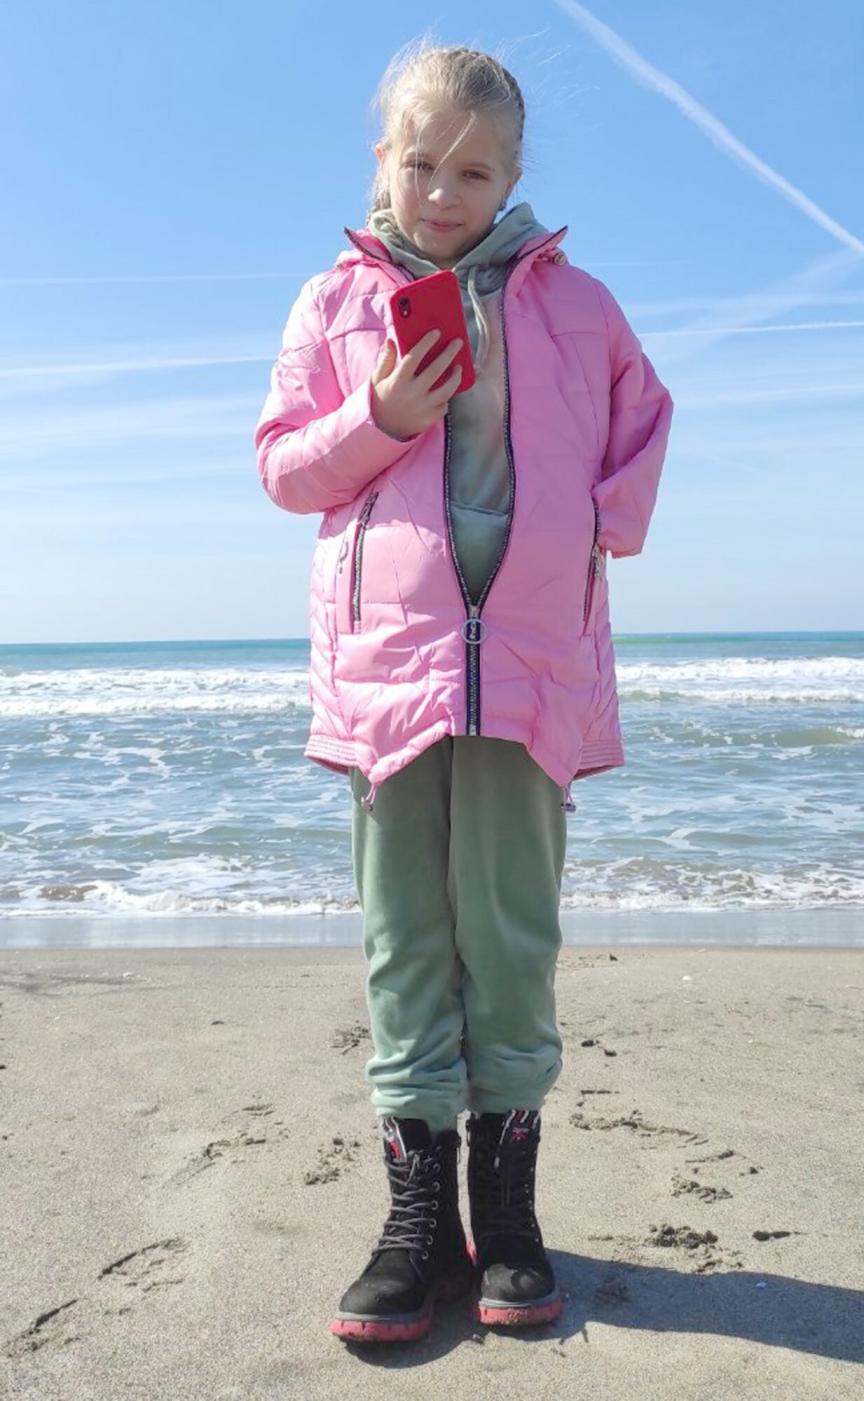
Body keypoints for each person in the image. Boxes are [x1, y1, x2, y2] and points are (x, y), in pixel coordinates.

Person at [254, 38, 673, 1344]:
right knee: (406, 944)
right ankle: (416, 1209)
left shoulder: (580, 305)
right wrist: (380, 411)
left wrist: (598, 528)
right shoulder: (335, 301)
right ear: (382, 158)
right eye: (422, 162)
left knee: (511, 940)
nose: (444, 191)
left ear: (513, 178)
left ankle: (511, 1201)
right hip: (395, 671)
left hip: (534, 669)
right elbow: (282, 467)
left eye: (474, 171)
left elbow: (646, 418)